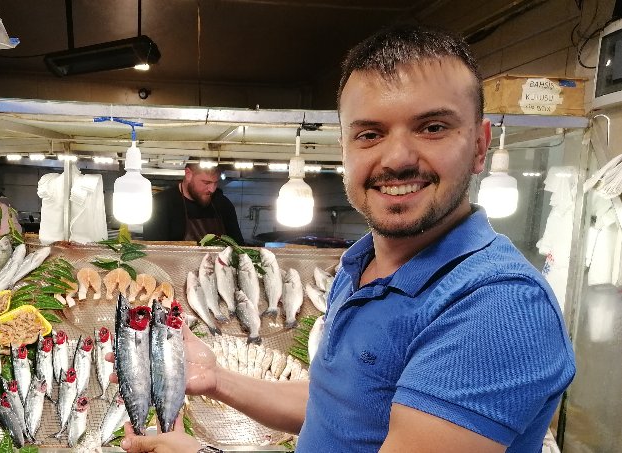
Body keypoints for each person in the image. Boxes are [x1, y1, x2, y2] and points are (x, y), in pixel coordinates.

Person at [117, 25, 576, 453]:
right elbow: (338, 408)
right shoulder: (361, 266)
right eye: (370, 133)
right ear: (344, 150)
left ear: (479, 145)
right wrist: (218, 380)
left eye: (432, 127)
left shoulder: (496, 306)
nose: (396, 158)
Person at [143, 164, 245, 244]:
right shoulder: (160, 203)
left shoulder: (223, 204)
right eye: (206, 183)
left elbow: (238, 247)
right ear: (188, 174)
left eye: (215, 182)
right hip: (173, 270)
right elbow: (154, 253)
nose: (212, 189)